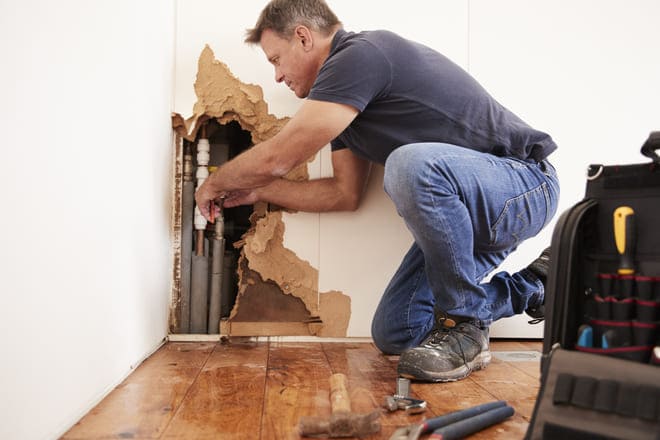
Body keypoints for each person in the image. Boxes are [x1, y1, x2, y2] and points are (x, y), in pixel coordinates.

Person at [195, 0, 559, 382]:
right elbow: (343, 193)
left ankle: (464, 326)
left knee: (410, 164)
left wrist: (216, 183)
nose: (277, 76)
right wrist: (259, 192)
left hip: (523, 185)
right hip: (464, 218)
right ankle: (534, 286)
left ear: (302, 37)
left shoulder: (361, 55)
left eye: (276, 60)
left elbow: (279, 157)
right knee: (397, 330)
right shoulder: (344, 112)